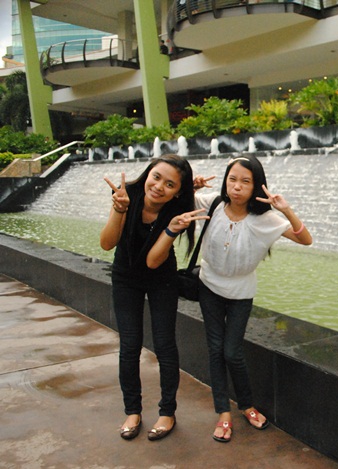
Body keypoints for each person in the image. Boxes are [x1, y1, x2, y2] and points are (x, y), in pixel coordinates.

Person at [194, 156, 312, 443]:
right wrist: (191, 186)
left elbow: (305, 239)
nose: (237, 187)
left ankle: (246, 405)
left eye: (245, 182)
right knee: (215, 349)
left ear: (256, 186)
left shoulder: (266, 219)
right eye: (232, 179)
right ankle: (223, 412)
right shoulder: (211, 204)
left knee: (232, 352)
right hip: (208, 286)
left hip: (241, 293)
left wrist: (286, 210)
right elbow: (174, 201)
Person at [100, 154, 207, 442]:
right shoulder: (127, 196)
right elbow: (107, 243)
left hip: (161, 277)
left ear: (178, 192)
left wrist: (171, 229)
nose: (159, 187)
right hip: (125, 277)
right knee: (130, 345)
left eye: (170, 184)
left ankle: (167, 412)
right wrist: (119, 210)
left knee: (165, 345)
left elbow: (152, 261)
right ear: (148, 173)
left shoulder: (177, 211)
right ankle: (132, 412)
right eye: (156, 177)